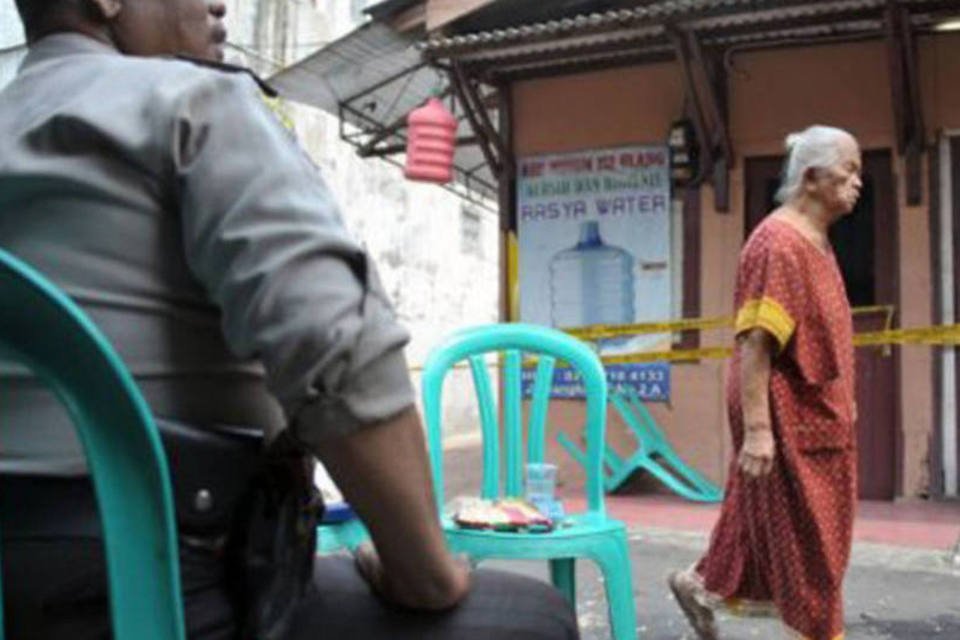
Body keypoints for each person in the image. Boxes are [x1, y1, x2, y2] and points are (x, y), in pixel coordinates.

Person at [0, 1, 579, 639]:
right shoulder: (192, 104)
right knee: (531, 619)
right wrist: (425, 575)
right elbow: (335, 348)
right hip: (171, 589)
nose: (220, 3)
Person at [669, 125, 862, 640]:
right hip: (788, 415)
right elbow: (756, 341)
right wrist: (758, 430)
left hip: (820, 413)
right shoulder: (779, 243)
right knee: (815, 548)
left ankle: (701, 583)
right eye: (849, 172)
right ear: (814, 177)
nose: (857, 183)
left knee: (771, 526)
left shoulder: (815, 240)